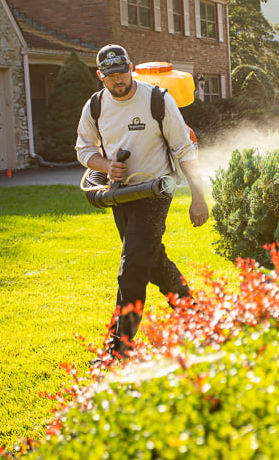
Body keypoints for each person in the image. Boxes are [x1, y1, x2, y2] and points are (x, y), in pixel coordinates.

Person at [75, 44, 209, 359]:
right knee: (151, 262)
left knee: (131, 267)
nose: (118, 80)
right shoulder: (95, 107)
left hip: (154, 193)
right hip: (120, 195)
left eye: (122, 72)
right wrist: (106, 166)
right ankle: (195, 315)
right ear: (100, 76)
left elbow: (184, 150)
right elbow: (83, 148)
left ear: (131, 67)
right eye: (111, 76)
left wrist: (198, 198)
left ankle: (120, 346)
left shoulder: (157, 100)